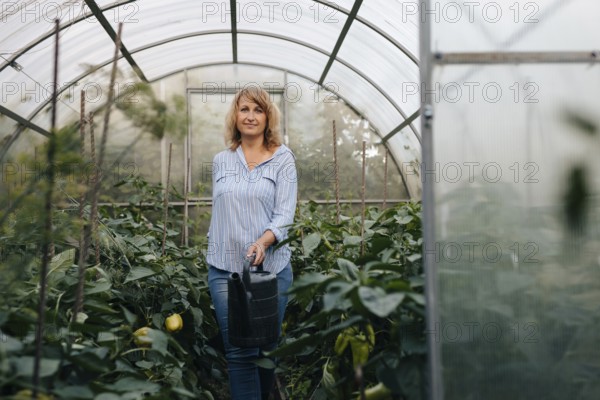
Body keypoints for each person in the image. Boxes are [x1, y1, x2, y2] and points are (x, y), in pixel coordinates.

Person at [205, 86, 297, 400]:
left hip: (271, 270)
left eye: (258, 110)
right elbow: (220, 211)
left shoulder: (283, 159)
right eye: (244, 109)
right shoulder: (221, 161)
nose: (251, 116)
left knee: (266, 348)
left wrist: (263, 241)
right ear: (235, 116)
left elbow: (285, 213)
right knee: (240, 351)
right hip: (226, 269)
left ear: (268, 116)